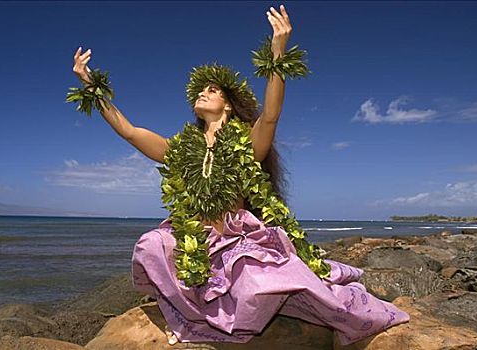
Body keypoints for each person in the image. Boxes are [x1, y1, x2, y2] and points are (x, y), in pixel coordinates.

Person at [71, 5, 409, 346]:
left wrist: (278, 51)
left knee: (261, 285)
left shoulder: (247, 142)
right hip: (196, 241)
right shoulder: (179, 148)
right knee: (150, 245)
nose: (202, 93)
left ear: (229, 104)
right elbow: (129, 131)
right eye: (200, 91)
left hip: (238, 240)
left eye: (213, 90)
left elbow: (272, 116)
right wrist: (92, 86)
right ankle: (193, 316)